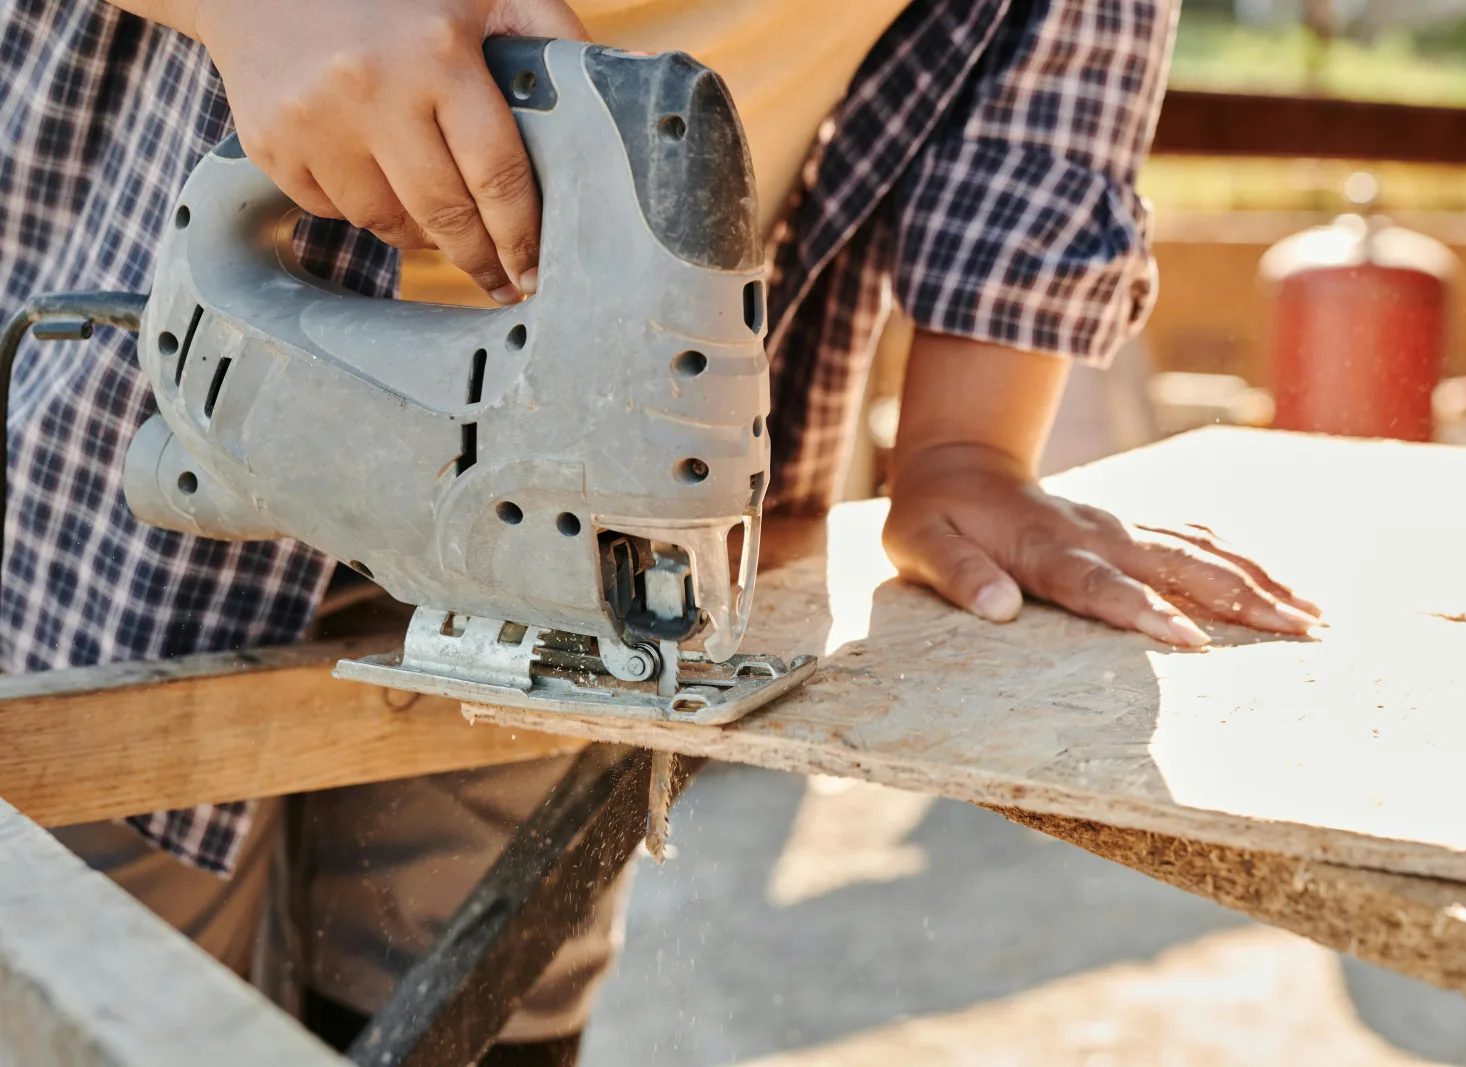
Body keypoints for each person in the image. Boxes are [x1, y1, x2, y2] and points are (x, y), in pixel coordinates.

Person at [1, 0, 1320, 1061]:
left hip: (583, 540)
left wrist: (967, 449)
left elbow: (1054, 89)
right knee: (111, 983)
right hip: (110, 507)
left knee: (484, 994)